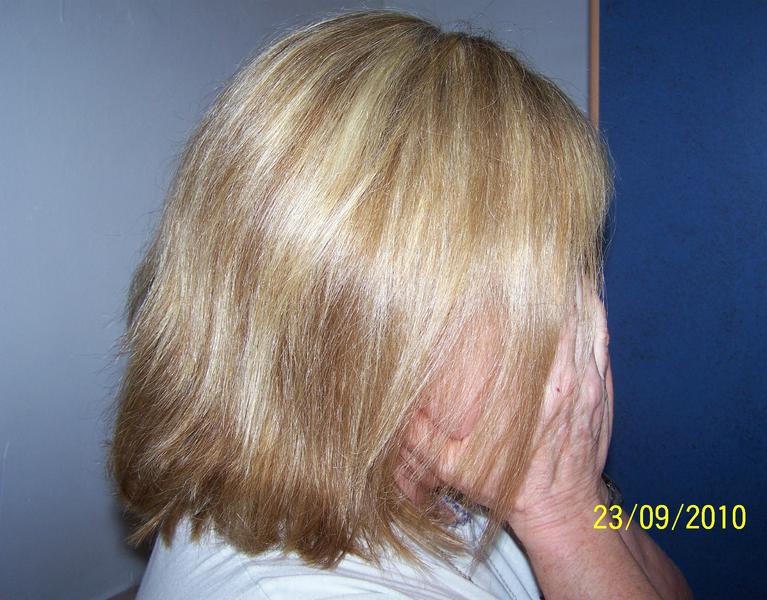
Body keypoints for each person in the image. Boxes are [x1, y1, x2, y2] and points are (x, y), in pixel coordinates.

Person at [109, 9, 692, 599]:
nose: (578, 318)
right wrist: (564, 518)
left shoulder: (441, 460)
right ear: (377, 329)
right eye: (541, 280)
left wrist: (577, 496)